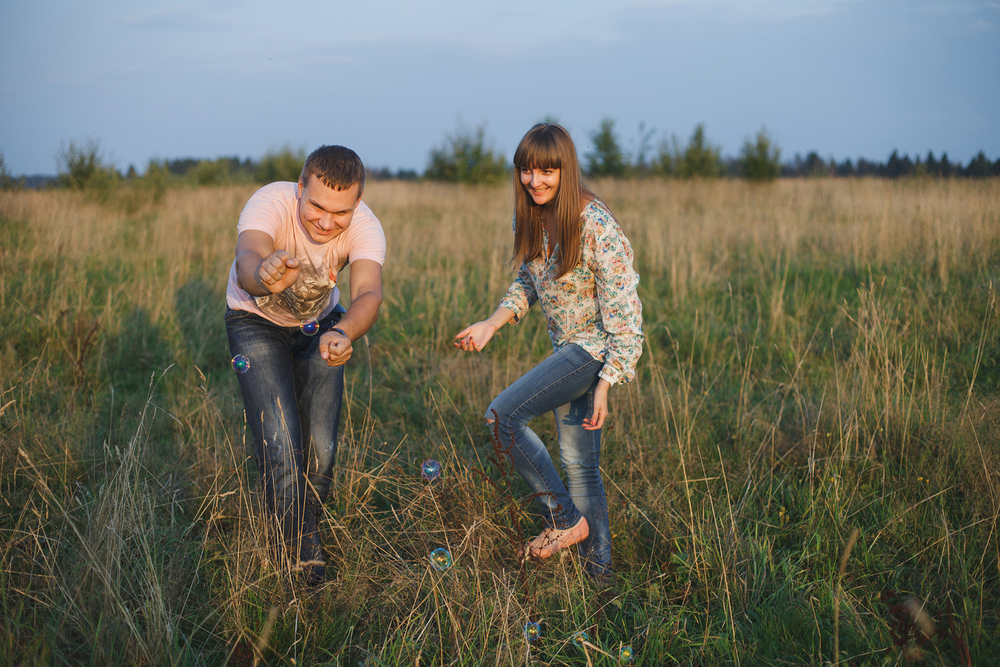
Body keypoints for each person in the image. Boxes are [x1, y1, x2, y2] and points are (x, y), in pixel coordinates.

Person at [454, 123, 643, 581]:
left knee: (502, 416)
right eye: (526, 170)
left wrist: (607, 381)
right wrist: (492, 323)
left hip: (593, 352)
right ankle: (600, 577)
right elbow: (528, 281)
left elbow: (625, 311)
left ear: (565, 170)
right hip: (568, 348)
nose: (534, 181)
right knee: (581, 466)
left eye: (546, 171)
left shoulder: (595, 224)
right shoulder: (531, 217)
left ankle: (563, 519)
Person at [225, 145, 385, 586]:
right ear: (300, 188)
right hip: (254, 321)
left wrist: (344, 333)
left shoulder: (366, 226)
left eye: (341, 212)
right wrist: (264, 274)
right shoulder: (270, 201)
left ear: (357, 203)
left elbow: (369, 293)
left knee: (321, 448)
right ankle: (298, 558)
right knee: (280, 440)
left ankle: (304, 526)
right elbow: (247, 260)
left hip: (323, 326)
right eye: (317, 206)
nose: (327, 222)